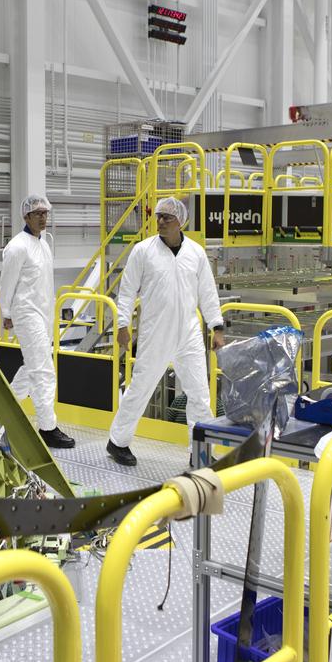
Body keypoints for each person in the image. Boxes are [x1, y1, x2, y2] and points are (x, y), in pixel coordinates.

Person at [106, 196, 224, 466]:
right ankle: (118, 442)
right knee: (140, 388)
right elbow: (127, 290)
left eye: (167, 217)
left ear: (180, 221)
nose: (160, 221)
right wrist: (122, 325)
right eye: (158, 216)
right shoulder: (143, 251)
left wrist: (216, 326)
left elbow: (208, 292)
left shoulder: (195, 253)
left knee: (199, 393)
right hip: (155, 333)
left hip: (189, 333)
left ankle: (200, 452)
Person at [0, 195, 74, 450]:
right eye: (38, 213)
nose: (43, 217)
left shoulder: (44, 244)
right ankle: (47, 428)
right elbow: (7, 282)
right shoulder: (17, 247)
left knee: (32, 366)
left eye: (45, 213)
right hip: (26, 313)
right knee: (43, 370)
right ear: (27, 216)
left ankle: (5, 409)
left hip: (43, 314)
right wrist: (6, 312)